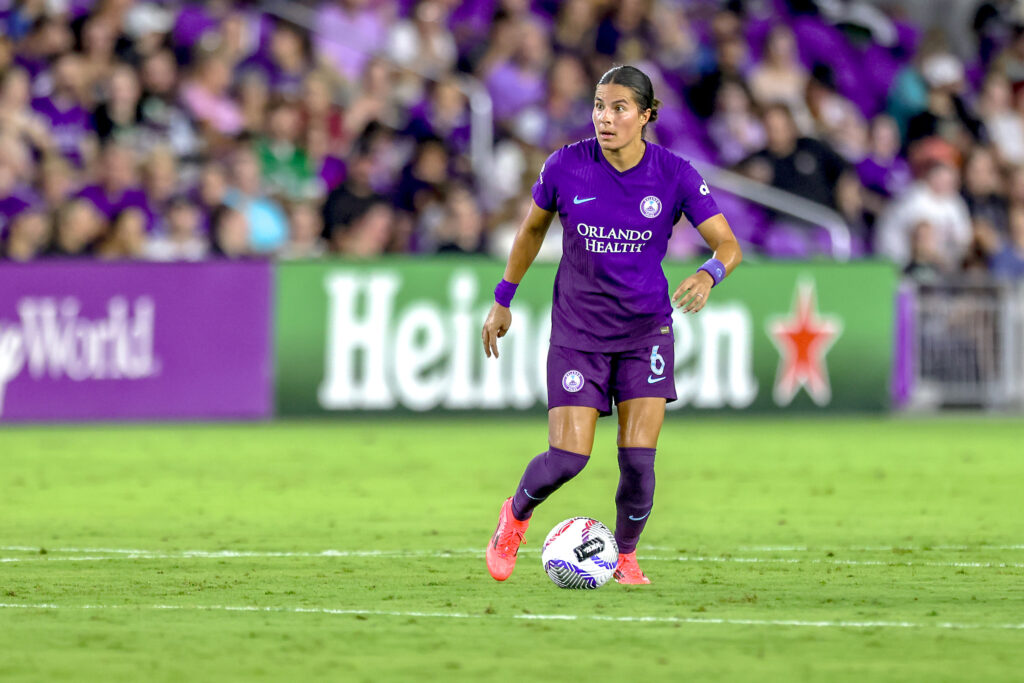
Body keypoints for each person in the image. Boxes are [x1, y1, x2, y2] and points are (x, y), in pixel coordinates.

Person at [480, 65, 742, 585]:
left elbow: (729, 246)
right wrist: (502, 299)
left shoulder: (675, 173)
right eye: (599, 106)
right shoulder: (565, 167)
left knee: (639, 461)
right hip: (579, 331)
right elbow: (532, 230)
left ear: (645, 116)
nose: (605, 117)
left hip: (645, 331)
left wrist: (710, 274)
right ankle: (514, 517)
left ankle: (624, 556)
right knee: (568, 459)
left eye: (619, 107)